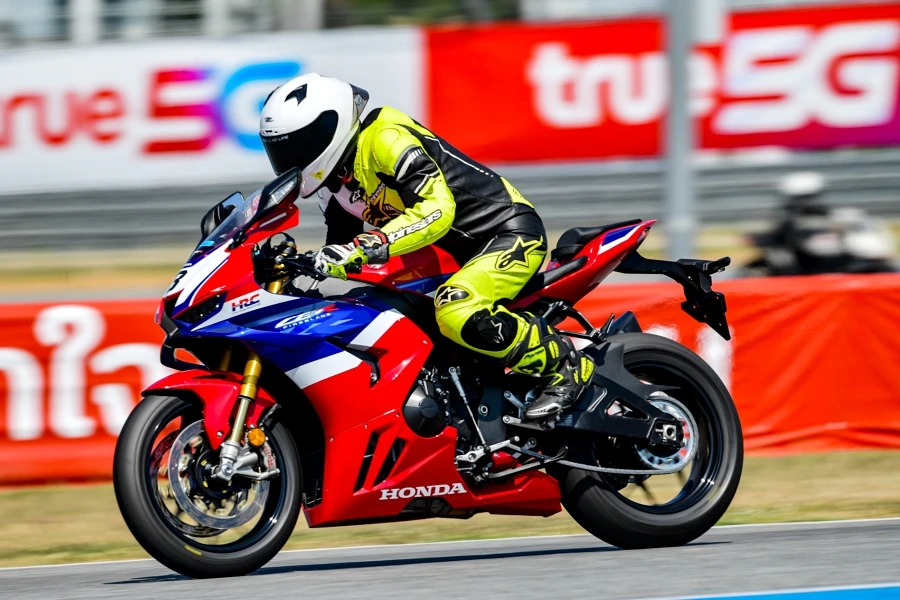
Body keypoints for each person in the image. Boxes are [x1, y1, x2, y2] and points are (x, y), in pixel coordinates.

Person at [258, 73, 594, 419]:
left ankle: (565, 364)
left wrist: (372, 244)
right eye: (279, 150)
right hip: (449, 256)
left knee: (456, 307)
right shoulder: (333, 185)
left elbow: (437, 210)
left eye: (298, 145)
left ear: (332, 126)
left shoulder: (385, 138)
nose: (290, 158)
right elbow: (339, 250)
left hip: (506, 234)